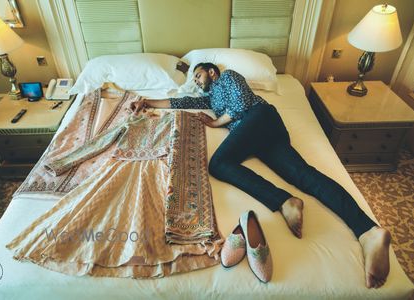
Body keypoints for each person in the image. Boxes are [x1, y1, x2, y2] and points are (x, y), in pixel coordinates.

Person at [129, 62, 391, 289]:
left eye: (198, 76)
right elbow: (180, 102)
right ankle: (368, 230)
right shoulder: (210, 98)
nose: (197, 83)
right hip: (258, 137)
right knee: (304, 175)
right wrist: (147, 101)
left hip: (261, 117)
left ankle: (284, 201)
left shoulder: (229, 76)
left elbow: (242, 105)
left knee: (219, 163)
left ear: (211, 71)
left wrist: (215, 122)